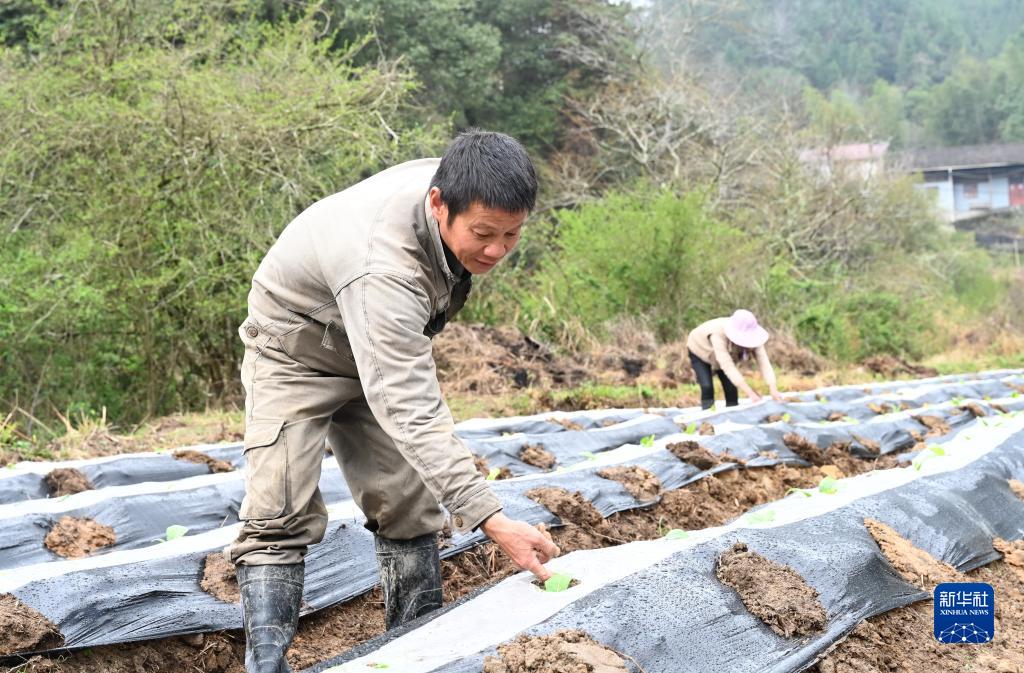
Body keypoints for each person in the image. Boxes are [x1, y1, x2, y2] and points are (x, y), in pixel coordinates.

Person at [228, 130, 560, 673]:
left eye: (512, 233)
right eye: (482, 234)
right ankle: (266, 664)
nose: (497, 249)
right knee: (279, 508)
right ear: (439, 204)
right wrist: (492, 520)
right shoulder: (384, 267)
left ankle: (416, 649)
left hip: (372, 345)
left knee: (408, 503)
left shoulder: (462, 179)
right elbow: (411, 408)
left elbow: (396, 379)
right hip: (296, 350)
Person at [686, 309, 784, 410]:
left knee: (731, 388)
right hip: (700, 349)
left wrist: (773, 388)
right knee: (707, 386)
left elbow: (764, 362)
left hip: (723, 354)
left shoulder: (755, 338)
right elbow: (727, 365)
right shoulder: (718, 334)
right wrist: (751, 394)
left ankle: (732, 418)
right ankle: (707, 420)